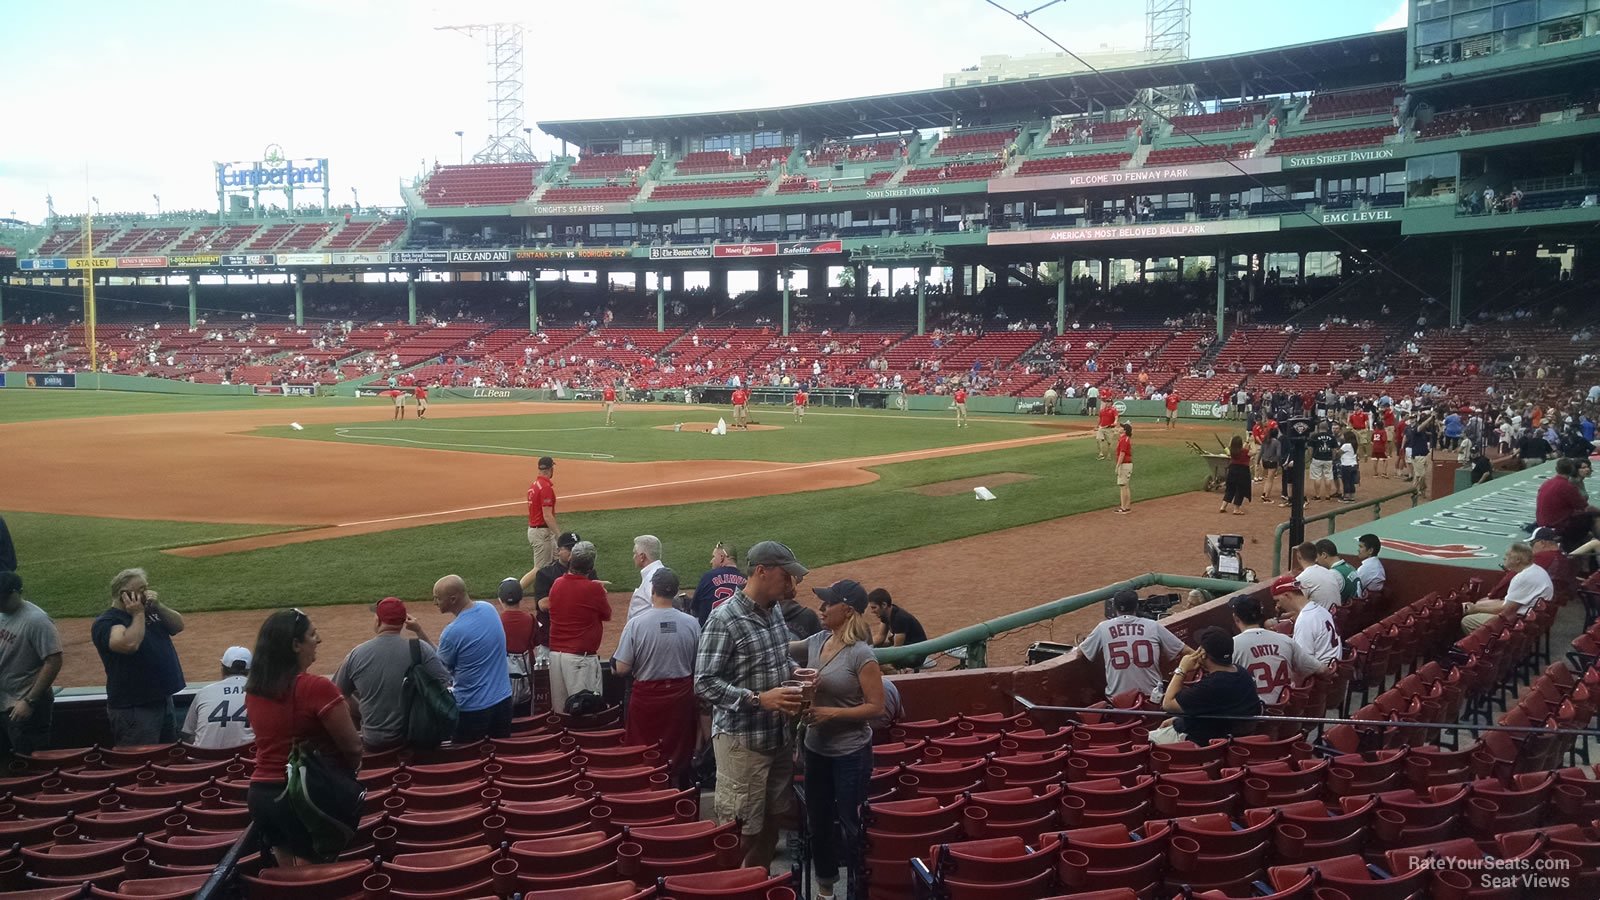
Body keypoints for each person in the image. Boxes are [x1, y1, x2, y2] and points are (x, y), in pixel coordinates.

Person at [694, 540, 807, 868]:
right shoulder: (724, 619)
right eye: (786, 576)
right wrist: (758, 699)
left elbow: (780, 659)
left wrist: (798, 676)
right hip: (743, 745)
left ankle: (756, 885)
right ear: (762, 571)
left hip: (777, 740)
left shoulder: (773, 613)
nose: (792, 584)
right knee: (743, 833)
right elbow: (703, 683)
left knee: (772, 827)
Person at [244, 609, 364, 866]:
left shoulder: (254, 690)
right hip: (303, 796)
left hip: (262, 796)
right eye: (312, 634)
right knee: (314, 879)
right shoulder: (316, 687)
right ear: (295, 645)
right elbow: (353, 748)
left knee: (290, 878)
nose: (318, 640)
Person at [795, 579, 885, 900]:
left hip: (850, 754)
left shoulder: (861, 655)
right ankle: (825, 889)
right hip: (816, 749)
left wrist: (831, 714)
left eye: (827, 603)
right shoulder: (819, 640)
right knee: (818, 823)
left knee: (850, 825)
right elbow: (786, 650)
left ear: (846, 610)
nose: (820, 608)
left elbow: (876, 707)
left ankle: (857, 892)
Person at [612, 567, 699, 785]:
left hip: (646, 701)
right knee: (679, 754)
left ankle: (647, 798)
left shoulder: (636, 624)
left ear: (653, 590)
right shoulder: (692, 623)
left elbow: (622, 669)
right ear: (676, 591)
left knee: (643, 756)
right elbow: (699, 666)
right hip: (681, 699)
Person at [333, 598, 450, 751]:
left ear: (378, 621)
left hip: (375, 742)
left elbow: (336, 694)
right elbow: (445, 683)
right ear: (403, 623)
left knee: (352, 692)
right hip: (416, 738)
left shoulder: (356, 654)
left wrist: (363, 709)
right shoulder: (420, 648)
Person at [92, 568, 187, 746]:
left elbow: (178, 625)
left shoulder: (150, 610)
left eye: (147, 588)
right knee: (140, 762)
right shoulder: (107, 622)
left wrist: (158, 605)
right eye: (141, 590)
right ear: (124, 595)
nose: (147, 593)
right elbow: (129, 644)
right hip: (134, 708)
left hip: (163, 699)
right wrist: (138, 614)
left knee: (169, 755)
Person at [416, 575, 512, 741]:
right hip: (504, 701)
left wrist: (419, 632)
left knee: (467, 760)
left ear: (453, 599)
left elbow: (440, 668)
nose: (434, 603)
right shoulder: (489, 608)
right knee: (501, 755)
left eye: (437, 598)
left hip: (473, 710)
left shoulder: (452, 632)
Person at [1149, 627, 1261, 745]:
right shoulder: (1242, 673)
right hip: (1231, 739)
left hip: (1203, 742)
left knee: (1145, 741)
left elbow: (1168, 704)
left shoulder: (1211, 686)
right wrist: (1179, 720)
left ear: (1202, 653)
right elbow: (1215, 709)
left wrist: (1181, 670)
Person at [1077, 589, 1188, 702]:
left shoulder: (1103, 628)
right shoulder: (1153, 626)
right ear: (1136, 607)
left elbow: (1081, 653)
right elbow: (1186, 651)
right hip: (1152, 699)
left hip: (1118, 703)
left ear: (1114, 607)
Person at [0, 571, 62, 757]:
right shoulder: (2, 613)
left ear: (16, 592)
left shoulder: (37, 620)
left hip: (24, 706)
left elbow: (53, 660)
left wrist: (29, 701)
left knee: (30, 761)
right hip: (4, 702)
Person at [544, 541, 610, 713]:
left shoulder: (557, 584)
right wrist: (598, 590)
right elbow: (607, 614)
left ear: (571, 559)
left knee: (561, 713)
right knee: (584, 713)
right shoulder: (593, 590)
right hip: (579, 661)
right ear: (591, 566)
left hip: (557, 658)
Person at [1229, 595, 1326, 706]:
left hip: (1254, 717)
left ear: (1236, 618)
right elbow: (1322, 670)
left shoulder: (1232, 645)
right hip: (1285, 715)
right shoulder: (1285, 640)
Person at [523, 531, 596, 663]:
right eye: (568, 549)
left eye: (575, 549)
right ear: (557, 551)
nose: (572, 552)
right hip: (551, 642)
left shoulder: (589, 571)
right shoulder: (545, 574)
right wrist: (578, 600)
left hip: (579, 640)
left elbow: (597, 601)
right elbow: (543, 605)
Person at [1461, 543, 1554, 633]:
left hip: (1518, 623)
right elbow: (1509, 604)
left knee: (1468, 620)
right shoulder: (1535, 570)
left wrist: (1476, 609)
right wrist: (1477, 606)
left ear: (1517, 560)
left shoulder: (1523, 578)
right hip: (1527, 617)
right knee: (1480, 603)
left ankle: (1489, 648)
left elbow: (1506, 611)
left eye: (1507, 555)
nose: (1504, 558)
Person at [181, 647, 255, 751]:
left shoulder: (204, 692)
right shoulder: (261, 693)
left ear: (223, 669)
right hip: (245, 764)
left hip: (204, 764)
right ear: (249, 671)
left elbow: (187, 735)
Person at [1271, 577, 1342, 665]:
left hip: (1322, 675)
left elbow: (1303, 664)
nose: (1278, 605)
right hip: (1334, 666)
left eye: (1278, 600)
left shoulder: (1305, 620)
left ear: (1287, 595)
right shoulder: (1321, 610)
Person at [1536, 458, 1600, 549]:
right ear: (1573, 470)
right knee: (1594, 517)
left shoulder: (1547, 483)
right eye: (1583, 467)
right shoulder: (1567, 486)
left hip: (1543, 522)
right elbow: (1585, 507)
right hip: (1558, 525)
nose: (1587, 470)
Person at [498, 578, 536, 713]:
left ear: (499, 599)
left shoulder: (496, 621)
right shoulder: (530, 619)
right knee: (525, 711)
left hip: (502, 676)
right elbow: (534, 641)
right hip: (526, 673)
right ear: (521, 599)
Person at [867, 589, 928, 670]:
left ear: (884, 605)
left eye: (874, 607)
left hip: (916, 656)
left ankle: (893, 673)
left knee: (873, 660)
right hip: (904, 647)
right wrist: (866, 647)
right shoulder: (885, 614)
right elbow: (880, 637)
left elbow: (896, 650)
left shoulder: (900, 618)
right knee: (872, 652)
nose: (872, 611)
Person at [692, 541, 747, 625]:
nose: (711, 561)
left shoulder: (708, 576)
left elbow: (694, 608)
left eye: (713, 557)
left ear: (722, 558)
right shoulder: (747, 580)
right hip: (740, 632)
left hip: (710, 632)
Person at [526, 456, 560, 571]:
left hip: (538, 530)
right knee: (539, 569)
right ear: (551, 469)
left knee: (556, 562)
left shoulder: (534, 485)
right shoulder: (545, 488)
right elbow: (547, 515)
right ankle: (515, 588)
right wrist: (559, 535)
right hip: (541, 532)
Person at [1293, 542, 1345, 608]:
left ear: (1299, 557)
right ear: (1316, 556)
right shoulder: (1328, 572)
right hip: (1335, 615)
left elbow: (1297, 606)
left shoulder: (1302, 578)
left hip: (1321, 616)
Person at [628, 535, 665, 621]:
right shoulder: (659, 572)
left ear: (642, 557)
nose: (633, 557)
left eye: (635, 553)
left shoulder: (654, 578)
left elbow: (661, 612)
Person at [1315, 540, 1360, 605]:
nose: (1316, 560)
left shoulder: (1333, 574)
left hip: (1344, 612)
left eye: (1317, 556)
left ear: (1324, 555)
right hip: (1356, 609)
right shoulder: (1350, 567)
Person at [1220, 435, 1252, 515]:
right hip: (1243, 472)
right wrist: (1252, 442)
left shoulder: (1231, 451)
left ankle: (1223, 507)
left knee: (1230, 489)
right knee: (1240, 490)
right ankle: (1236, 509)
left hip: (1232, 470)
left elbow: (1229, 450)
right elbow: (1254, 452)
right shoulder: (1245, 451)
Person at [1307, 420, 1337, 502]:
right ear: (1327, 428)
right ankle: (1327, 495)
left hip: (1317, 458)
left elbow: (1310, 449)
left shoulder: (1314, 436)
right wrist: (1333, 458)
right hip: (1328, 459)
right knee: (1328, 477)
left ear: (1318, 427)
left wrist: (1310, 457)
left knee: (1317, 477)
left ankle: (1317, 495)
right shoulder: (1332, 437)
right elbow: (1334, 449)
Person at [1355, 533, 1387, 599]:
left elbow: (1354, 590)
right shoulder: (1375, 564)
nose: (1358, 550)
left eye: (1361, 547)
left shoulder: (1366, 568)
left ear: (1370, 551)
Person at [1114, 422, 1134, 514]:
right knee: (1126, 486)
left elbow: (1122, 454)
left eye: (1121, 427)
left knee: (1123, 486)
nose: (1119, 428)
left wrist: (1117, 466)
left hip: (1124, 465)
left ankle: (1123, 508)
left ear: (1124, 430)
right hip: (1128, 465)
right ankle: (1127, 506)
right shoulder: (1126, 439)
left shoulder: (1123, 440)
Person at [1260, 426, 1283, 500]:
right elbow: (1278, 454)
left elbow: (1261, 452)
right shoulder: (1277, 442)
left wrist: (1257, 461)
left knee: (1267, 478)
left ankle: (1264, 492)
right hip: (1272, 461)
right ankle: (1266, 495)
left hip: (1264, 461)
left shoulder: (1265, 440)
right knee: (1270, 479)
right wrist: (1279, 462)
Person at [1337, 428, 1360, 502]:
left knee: (1346, 481)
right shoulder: (1355, 444)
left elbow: (1338, 453)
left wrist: (1335, 450)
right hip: (1353, 464)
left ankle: (1346, 497)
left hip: (1346, 465)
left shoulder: (1346, 445)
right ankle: (1352, 496)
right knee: (1351, 482)